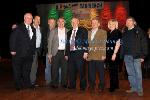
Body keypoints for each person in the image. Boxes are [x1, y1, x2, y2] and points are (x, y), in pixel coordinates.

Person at [121, 17, 148, 96]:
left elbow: (144, 43)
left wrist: (143, 56)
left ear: (134, 22)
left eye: (129, 21)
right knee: (130, 73)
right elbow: (123, 43)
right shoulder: (124, 32)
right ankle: (133, 88)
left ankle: (139, 89)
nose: (128, 22)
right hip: (127, 56)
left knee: (138, 73)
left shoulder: (139, 31)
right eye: (126, 21)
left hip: (137, 56)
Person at [9, 13, 36, 90]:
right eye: (28, 18)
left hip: (29, 54)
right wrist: (12, 50)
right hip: (18, 53)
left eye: (31, 18)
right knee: (17, 70)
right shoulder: (18, 27)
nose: (29, 19)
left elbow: (33, 41)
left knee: (26, 71)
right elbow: (12, 39)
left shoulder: (33, 29)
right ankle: (18, 85)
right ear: (24, 18)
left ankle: (27, 84)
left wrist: (33, 51)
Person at [65, 17, 88, 91]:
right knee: (71, 71)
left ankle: (83, 86)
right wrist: (66, 54)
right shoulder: (69, 32)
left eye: (74, 22)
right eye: (72, 22)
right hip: (71, 54)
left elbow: (86, 41)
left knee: (81, 71)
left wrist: (86, 52)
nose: (73, 23)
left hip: (80, 53)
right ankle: (72, 85)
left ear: (78, 22)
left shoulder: (83, 30)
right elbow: (67, 44)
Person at [87, 18, 107, 93]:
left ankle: (101, 86)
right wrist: (86, 53)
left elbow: (103, 44)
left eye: (95, 22)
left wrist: (103, 54)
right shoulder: (88, 32)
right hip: (90, 55)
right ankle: (92, 85)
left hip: (99, 55)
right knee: (91, 72)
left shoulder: (103, 32)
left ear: (98, 24)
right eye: (92, 23)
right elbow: (87, 44)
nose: (93, 24)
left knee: (101, 73)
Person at [48, 17, 68, 88]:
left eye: (62, 21)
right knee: (54, 69)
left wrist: (68, 54)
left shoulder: (68, 31)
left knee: (65, 69)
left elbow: (69, 44)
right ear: (57, 23)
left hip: (64, 53)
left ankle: (64, 83)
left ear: (64, 23)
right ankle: (54, 83)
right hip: (55, 52)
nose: (61, 23)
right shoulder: (53, 31)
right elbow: (50, 42)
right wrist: (49, 54)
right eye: (59, 21)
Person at [106, 19, 122, 92]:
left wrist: (114, 54)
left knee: (113, 70)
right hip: (109, 54)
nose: (111, 25)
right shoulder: (109, 32)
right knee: (113, 71)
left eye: (113, 23)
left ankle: (112, 87)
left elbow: (118, 43)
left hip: (114, 54)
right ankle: (116, 85)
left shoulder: (118, 32)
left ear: (116, 24)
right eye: (110, 23)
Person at [30, 15, 42, 87]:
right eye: (37, 19)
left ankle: (32, 81)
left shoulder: (40, 29)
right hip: (31, 50)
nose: (38, 21)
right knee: (32, 66)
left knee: (35, 66)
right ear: (33, 20)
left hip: (37, 50)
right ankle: (31, 82)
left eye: (39, 20)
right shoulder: (30, 28)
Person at [43, 18, 56, 86]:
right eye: (51, 22)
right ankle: (48, 80)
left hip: (55, 52)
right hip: (48, 52)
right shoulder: (45, 31)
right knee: (48, 67)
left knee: (57, 67)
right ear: (48, 22)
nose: (53, 24)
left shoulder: (57, 30)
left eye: (54, 22)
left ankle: (58, 80)